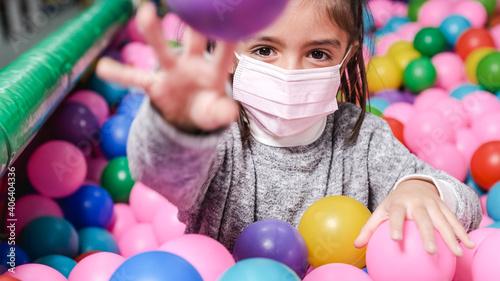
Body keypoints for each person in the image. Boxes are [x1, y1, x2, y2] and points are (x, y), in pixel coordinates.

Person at [97, 0, 481, 258]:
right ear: (227, 51)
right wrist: (176, 122)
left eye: (318, 54)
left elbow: (468, 210)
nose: (290, 73)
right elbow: (160, 169)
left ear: (347, 55)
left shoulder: (362, 140)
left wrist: (421, 189)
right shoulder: (219, 139)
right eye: (265, 50)